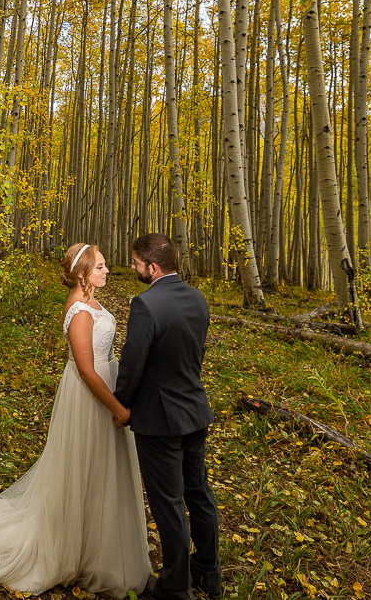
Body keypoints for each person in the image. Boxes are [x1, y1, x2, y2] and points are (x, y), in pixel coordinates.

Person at [0, 243, 153, 597]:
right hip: (91, 397)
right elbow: (88, 372)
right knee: (84, 467)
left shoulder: (91, 302)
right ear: (82, 274)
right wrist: (118, 409)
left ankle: (96, 544)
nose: (107, 271)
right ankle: (74, 548)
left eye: (105, 266)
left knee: (103, 470)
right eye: (100, 267)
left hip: (106, 385)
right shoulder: (80, 311)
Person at [115, 233, 222, 600]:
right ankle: (208, 573)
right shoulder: (197, 297)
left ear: (153, 266)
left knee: (169, 504)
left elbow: (133, 363)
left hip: (159, 420)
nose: (133, 267)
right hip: (195, 411)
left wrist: (122, 403)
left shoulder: (146, 304)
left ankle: (176, 588)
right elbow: (194, 354)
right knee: (199, 495)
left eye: (136, 262)